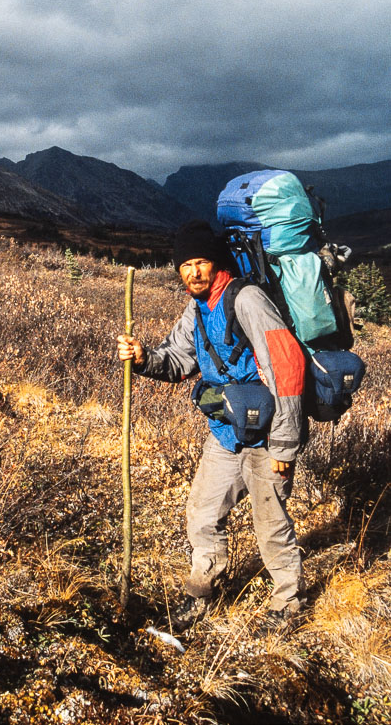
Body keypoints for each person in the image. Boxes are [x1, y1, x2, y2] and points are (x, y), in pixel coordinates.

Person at [116, 220, 307, 630]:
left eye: (200, 262)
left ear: (216, 262)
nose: (193, 272)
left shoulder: (248, 300)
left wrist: (284, 445)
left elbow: (287, 365)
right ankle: (201, 594)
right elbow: (178, 360)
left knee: (270, 523)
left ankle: (287, 602)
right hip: (225, 432)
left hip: (267, 434)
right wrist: (144, 357)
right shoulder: (195, 308)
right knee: (202, 514)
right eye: (185, 265)